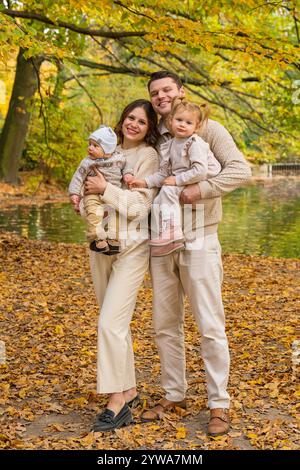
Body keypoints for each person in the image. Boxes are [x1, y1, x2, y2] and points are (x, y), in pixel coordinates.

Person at [141, 71, 252, 436]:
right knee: (165, 323)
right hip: (161, 241)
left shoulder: (209, 130)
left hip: (200, 237)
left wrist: (200, 190)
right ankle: (174, 393)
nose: (161, 96)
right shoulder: (156, 136)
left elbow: (240, 170)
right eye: (155, 92)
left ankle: (218, 402)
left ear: (180, 91)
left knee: (209, 324)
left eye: (167, 89)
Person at [81, 99, 159, 432]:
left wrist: (106, 188)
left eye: (142, 122)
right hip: (99, 248)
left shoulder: (148, 157)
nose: (134, 124)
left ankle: (117, 402)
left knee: (109, 323)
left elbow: (140, 209)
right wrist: (84, 201)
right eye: (130, 117)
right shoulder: (101, 150)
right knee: (116, 325)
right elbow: (86, 188)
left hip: (131, 247)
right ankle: (129, 387)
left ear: (149, 128)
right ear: (122, 118)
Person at [131, 97, 221, 252]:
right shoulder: (170, 145)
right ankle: (168, 236)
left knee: (168, 190)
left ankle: (173, 231)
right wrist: (145, 182)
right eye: (179, 120)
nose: (182, 125)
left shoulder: (194, 143)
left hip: (205, 177)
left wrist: (177, 180)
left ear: (196, 127)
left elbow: (200, 170)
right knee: (158, 200)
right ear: (171, 120)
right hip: (188, 177)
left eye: (188, 123)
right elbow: (164, 174)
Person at [69, 125, 134, 254]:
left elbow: (127, 165)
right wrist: (74, 193)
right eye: (90, 144)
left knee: (114, 216)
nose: (90, 148)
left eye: (95, 146)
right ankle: (96, 239)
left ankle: (113, 239)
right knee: (94, 214)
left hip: (112, 193)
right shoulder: (87, 162)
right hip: (92, 194)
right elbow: (78, 177)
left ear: (108, 149)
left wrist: (128, 174)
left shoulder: (119, 158)